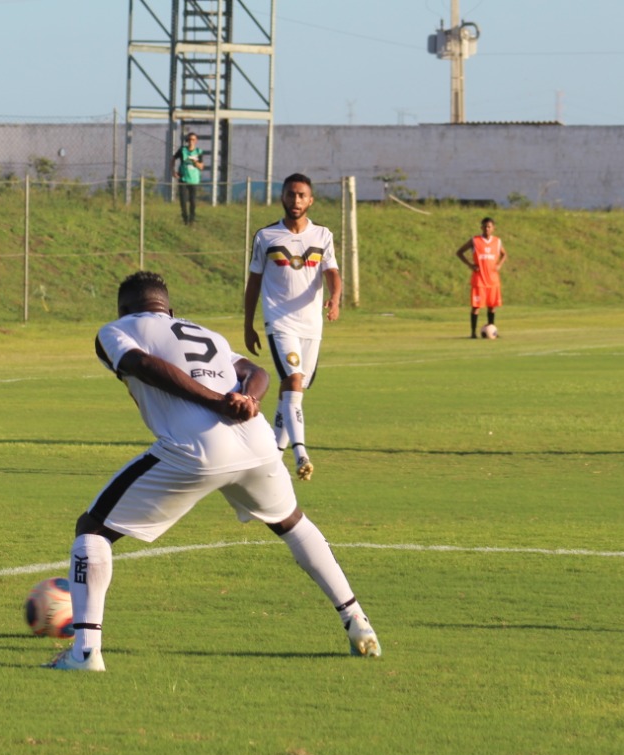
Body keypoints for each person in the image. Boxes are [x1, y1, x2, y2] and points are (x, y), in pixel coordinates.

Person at [45, 271, 381, 672]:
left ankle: (84, 652)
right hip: (256, 444)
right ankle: (357, 621)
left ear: (125, 309)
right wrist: (246, 399)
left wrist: (219, 402)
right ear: (169, 309)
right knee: (293, 524)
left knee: (93, 530)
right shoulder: (206, 333)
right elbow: (257, 372)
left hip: (195, 448)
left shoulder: (115, 330)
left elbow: (142, 364)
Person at [243, 173, 342, 482]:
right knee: (295, 381)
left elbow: (333, 273)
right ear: (282, 198)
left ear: (310, 200)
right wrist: (248, 323)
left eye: (301, 195)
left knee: (293, 391)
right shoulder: (266, 236)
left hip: (311, 326)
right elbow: (254, 282)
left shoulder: (323, 235)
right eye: (290, 194)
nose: (295, 200)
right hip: (280, 322)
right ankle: (302, 455)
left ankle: (270, 460)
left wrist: (336, 297)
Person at [456, 217, 506, 339]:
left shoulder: (497, 241)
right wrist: (470, 265)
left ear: (493, 228)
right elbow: (460, 252)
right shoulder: (475, 240)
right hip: (479, 280)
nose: (487, 229)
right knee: (476, 306)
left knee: (492, 306)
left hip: (493, 280)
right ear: (481, 227)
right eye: (484, 226)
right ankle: (473, 333)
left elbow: (504, 254)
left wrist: (499, 264)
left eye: (489, 226)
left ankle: (492, 330)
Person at [171, 132, 204, 226]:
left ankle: (192, 220)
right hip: (183, 179)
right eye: (189, 139)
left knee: (193, 201)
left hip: (194, 180)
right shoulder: (182, 150)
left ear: (196, 141)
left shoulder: (199, 151)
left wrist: (195, 163)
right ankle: (185, 219)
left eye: (193, 139)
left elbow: (201, 166)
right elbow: (173, 158)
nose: (191, 141)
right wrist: (173, 171)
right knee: (183, 200)